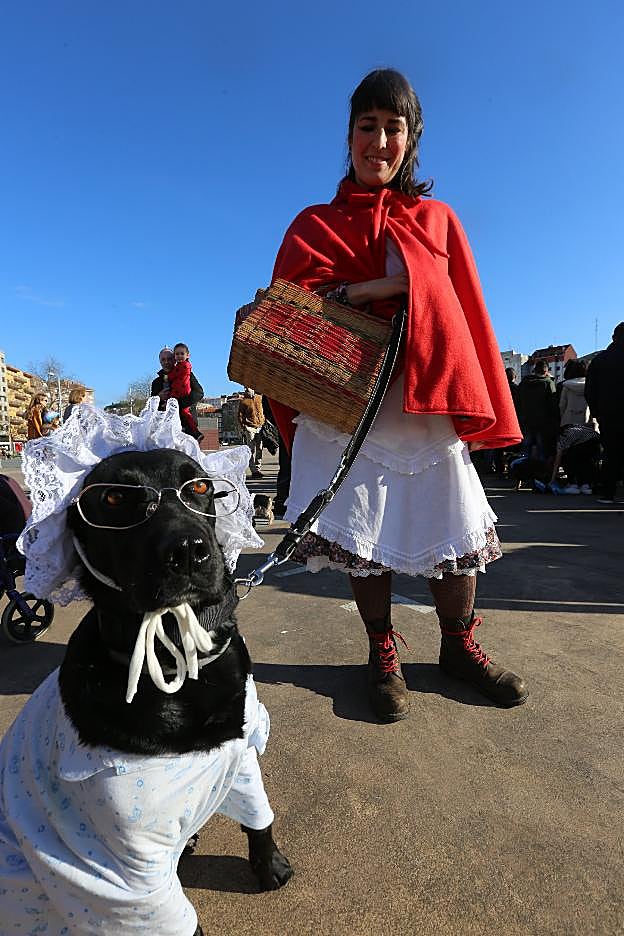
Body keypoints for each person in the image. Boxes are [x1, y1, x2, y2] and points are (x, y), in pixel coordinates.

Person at [268, 68, 527, 722]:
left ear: (411, 141)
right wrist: (380, 288)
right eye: (368, 126)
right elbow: (292, 310)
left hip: (423, 394)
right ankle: (381, 651)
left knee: (450, 523)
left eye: (394, 128)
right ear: (349, 134)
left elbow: (455, 301)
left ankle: (459, 647)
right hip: (344, 402)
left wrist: (376, 288)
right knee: (363, 531)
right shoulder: (313, 222)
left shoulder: (436, 217)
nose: (379, 141)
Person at [585, 322, 624, 504]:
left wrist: (596, 411)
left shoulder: (600, 360)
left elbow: (590, 390)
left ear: (613, 337)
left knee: (610, 453)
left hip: (608, 414)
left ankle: (608, 493)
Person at [151, 346, 205, 435]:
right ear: (160, 362)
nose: (166, 362)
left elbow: (199, 393)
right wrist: (159, 397)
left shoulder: (186, 374)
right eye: (163, 360)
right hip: (165, 427)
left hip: (187, 425)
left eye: (169, 359)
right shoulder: (156, 382)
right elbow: (152, 406)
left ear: (175, 360)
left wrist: (177, 404)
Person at [517, 359, 558, 459]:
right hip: (543, 421)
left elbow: (518, 401)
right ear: (546, 371)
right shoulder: (548, 383)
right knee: (542, 447)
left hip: (526, 420)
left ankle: (523, 468)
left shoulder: (524, 383)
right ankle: (541, 471)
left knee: (526, 446)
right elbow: (553, 404)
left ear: (534, 370)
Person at [168, 342, 203, 441]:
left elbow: (199, 393)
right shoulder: (157, 381)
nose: (179, 356)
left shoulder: (184, 368)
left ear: (188, 355)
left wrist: (180, 403)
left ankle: (196, 433)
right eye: (177, 354)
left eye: (181, 354)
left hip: (186, 419)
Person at [238, 388, 265, 478]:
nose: (248, 389)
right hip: (249, 427)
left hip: (260, 426)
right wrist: (243, 427)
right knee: (251, 450)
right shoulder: (244, 401)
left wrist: (263, 421)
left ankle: (258, 468)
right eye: (246, 388)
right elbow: (240, 415)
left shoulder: (259, 398)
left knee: (260, 448)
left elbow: (264, 410)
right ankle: (254, 471)